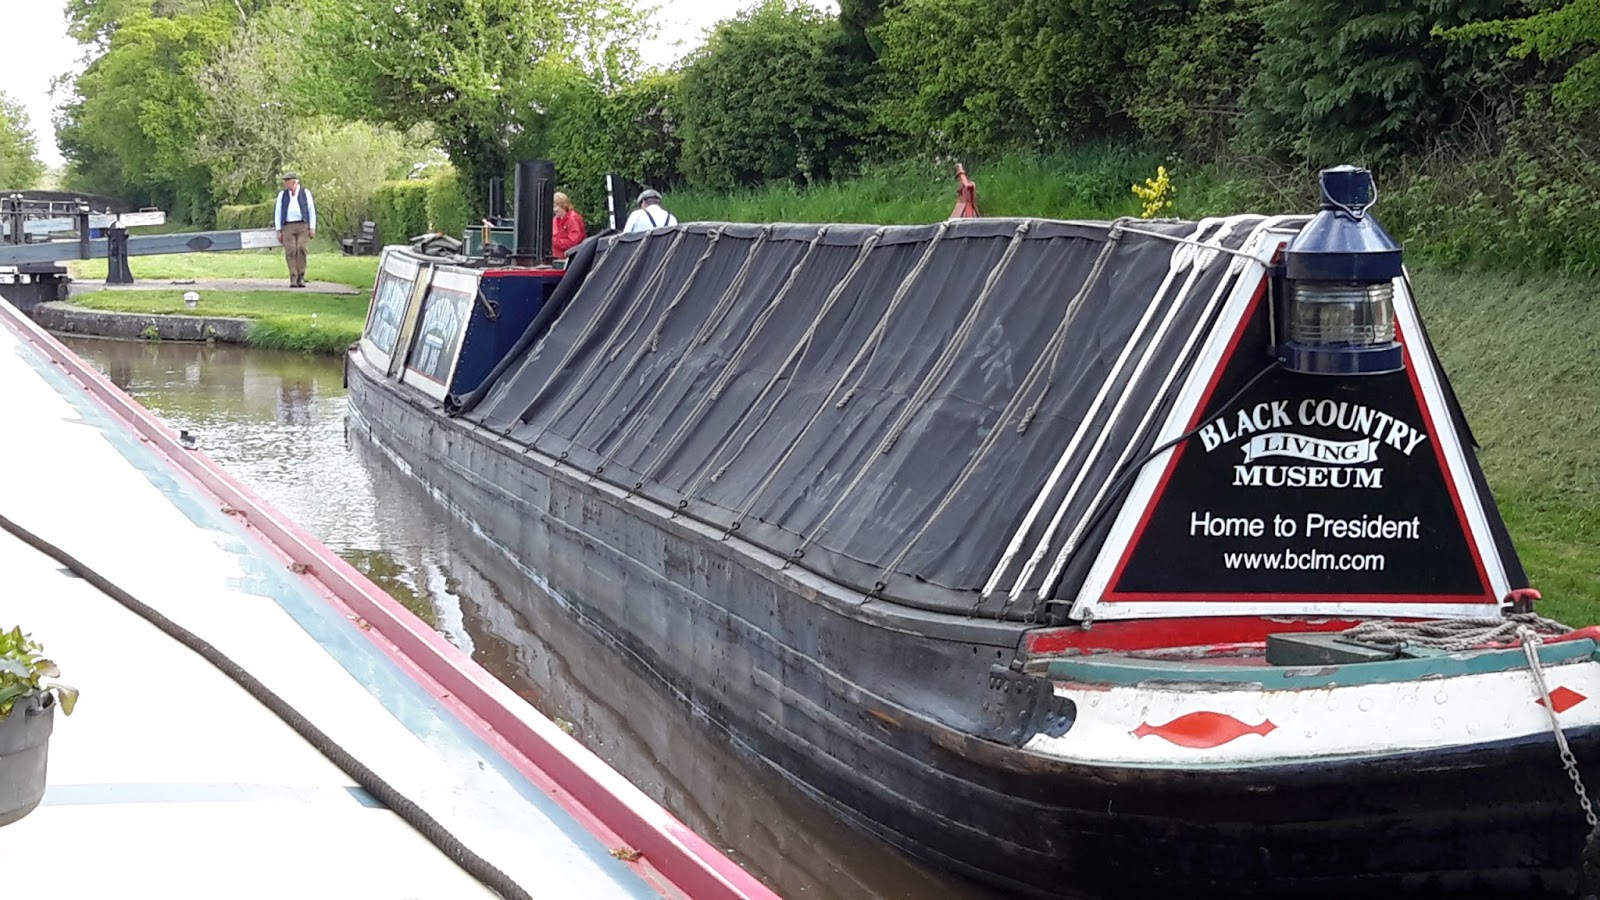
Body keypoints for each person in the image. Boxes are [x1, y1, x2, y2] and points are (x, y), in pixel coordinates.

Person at [274, 172, 317, 288]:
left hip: (303, 225)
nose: (285, 183)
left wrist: (312, 227)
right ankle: (293, 276)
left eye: (287, 181)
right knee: (291, 250)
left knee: (301, 249)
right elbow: (278, 212)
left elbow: (311, 210)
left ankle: (301, 276)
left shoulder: (305, 193)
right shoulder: (282, 195)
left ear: (293, 182)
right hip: (288, 226)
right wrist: (279, 230)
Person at [551, 192, 587, 258]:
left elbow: (573, 242)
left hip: (571, 259)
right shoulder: (555, 220)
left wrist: (553, 240)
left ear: (563, 206)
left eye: (555, 207)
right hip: (555, 258)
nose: (553, 210)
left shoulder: (573, 219)